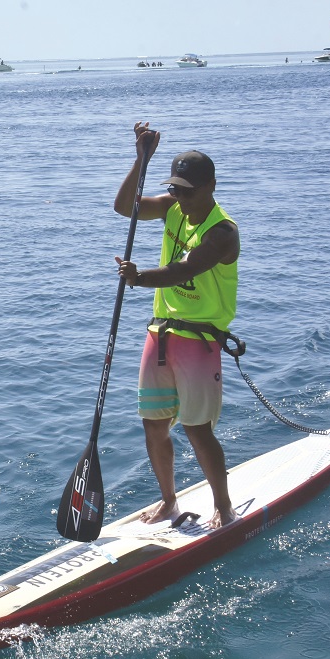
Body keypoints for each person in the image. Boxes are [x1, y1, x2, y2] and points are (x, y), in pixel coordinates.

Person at [113, 122, 240, 528]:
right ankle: (168, 502)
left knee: (197, 430)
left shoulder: (222, 232)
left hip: (199, 341)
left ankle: (224, 507)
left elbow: (183, 269)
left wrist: (138, 277)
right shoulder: (171, 208)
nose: (180, 198)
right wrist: (141, 159)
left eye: (188, 191)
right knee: (153, 425)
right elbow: (125, 207)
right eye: (175, 190)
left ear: (211, 186)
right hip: (161, 333)